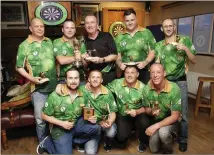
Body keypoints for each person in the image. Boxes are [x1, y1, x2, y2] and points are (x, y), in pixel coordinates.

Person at [16, 17, 57, 154]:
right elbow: (19, 67)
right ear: (31, 28)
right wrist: (32, 78)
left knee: (55, 116)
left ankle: (55, 142)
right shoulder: (24, 45)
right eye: (37, 26)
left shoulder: (49, 42)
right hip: (38, 89)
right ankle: (43, 144)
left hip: (54, 87)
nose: (40, 29)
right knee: (40, 119)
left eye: (42, 26)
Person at [155, 18, 196, 152]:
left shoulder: (184, 40)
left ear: (174, 27)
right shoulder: (159, 45)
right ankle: (169, 134)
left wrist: (185, 49)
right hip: (165, 82)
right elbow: (157, 63)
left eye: (170, 26)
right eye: (165, 26)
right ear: (162, 29)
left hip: (180, 81)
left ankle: (183, 139)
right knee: (166, 111)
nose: (168, 28)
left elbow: (194, 60)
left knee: (182, 113)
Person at [42, 68, 100, 154]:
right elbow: (43, 115)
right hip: (60, 128)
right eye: (70, 78)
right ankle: (47, 143)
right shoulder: (55, 95)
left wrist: (92, 118)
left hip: (75, 124)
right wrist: (62, 123)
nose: (73, 81)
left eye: (76, 78)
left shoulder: (83, 93)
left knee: (96, 127)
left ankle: (72, 141)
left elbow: (86, 111)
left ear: (79, 80)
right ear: (65, 80)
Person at [107, 65, 150, 152]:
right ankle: (127, 132)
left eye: (132, 72)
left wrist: (137, 112)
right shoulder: (116, 83)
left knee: (145, 122)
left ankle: (143, 141)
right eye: (127, 72)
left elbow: (147, 107)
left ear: (137, 74)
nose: (129, 75)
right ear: (124, 74)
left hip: (138, 114)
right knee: (121, 138)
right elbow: (104, 90)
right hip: (123, 114)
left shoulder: (144, 88)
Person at [143, 63, 181, 154]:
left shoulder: (174, 88)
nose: (155, 75)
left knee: (163, 133)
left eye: (158, 72)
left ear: (164, 73)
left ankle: (168, 150)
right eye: (152, 73)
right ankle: (162, 138)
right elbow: (147, 109)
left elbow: (175, 116)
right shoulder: (146, 89)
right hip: (156, 120)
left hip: (171, 121)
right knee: (153, 149)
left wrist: (155, 126)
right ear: (150, 75)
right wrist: (151, 112)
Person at [115, 8, 156, 84]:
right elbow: (117, 55)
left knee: (144, 94)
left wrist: (145, 62)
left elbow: (153, 51)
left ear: (136, 19)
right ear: (124, 21)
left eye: (132, 20)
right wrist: (119, 64)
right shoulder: (119, 37)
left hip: (143, 70)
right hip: (126, 71)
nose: (130, 23)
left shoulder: (146, 33)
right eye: (127, 21)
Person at [80, 70, 118, 152]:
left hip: (103, 122)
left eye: (98, 77)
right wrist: (59, 87)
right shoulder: (82, 90)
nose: (95, 79)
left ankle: (107, 141)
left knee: (111, 131)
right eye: (93, 77)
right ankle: (88, 140)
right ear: (89, 79)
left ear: (102, 80)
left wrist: (110, 122)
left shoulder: (107, 93)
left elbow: (113, 112)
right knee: (90, 152)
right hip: (90, 125)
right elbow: (68, 87)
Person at [83, 14, 118, 85]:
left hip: (108, 74)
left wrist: (101, 60)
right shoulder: (83, 40)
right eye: (87, 23)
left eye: (92, 22)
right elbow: (84, 66)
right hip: (93, 77)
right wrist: (85, 60)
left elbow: (115, 56)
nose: (90, 25)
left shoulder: (106, 36)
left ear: (97, 24)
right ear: (85, 26)